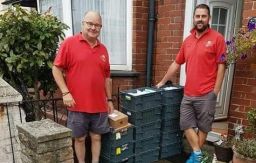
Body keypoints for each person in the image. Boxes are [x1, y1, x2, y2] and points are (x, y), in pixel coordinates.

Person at [156, 4, 226, 163]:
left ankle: (195, 159)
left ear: (209, 18)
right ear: (194, 18)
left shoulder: (217, 39)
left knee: (203, 128)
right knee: (185, 124)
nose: (200, 19)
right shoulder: (187, 41)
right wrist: (162, 81)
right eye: (197, 16)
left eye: (203, 16)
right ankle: (198, 154)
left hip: (207, 93)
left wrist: (216, 91)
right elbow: (176, 63)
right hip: (188, 93)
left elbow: (222, 66)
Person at [52, 11, 114, 163]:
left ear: (101, 27)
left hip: (99, 104)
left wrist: (110, 99)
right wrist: (65, 92)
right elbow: (56, 69)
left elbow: (107, 77)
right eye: (90, 24)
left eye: (97, 25)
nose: (93, 27)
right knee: (79, 139)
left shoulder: (103, 49)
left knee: (97, 137)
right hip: (77, 104)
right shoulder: (69, 43)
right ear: (83, 24)